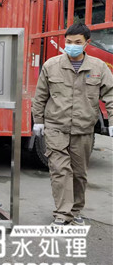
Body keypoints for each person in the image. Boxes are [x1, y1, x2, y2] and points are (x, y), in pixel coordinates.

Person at [31, 22, 113, 227]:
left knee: (79, 173)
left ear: (87, 43)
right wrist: (38, 121)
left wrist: (112, 121)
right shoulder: (51, 65)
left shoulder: (98, 67)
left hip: (83, 129)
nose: (72, 46)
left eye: (77, 42)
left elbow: (111, 95)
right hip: (56, 127)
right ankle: (62, 214)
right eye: (68, 42)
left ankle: (75, 211)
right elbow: (40, 96)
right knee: (60, 171)